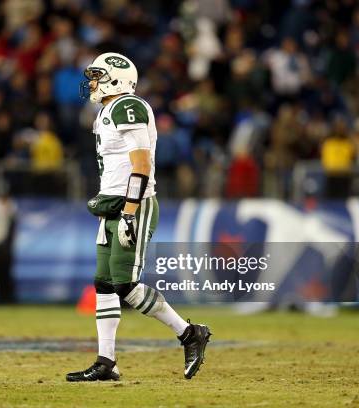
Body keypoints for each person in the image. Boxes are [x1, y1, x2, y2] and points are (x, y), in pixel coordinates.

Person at [66, 53, 211, 382]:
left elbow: (142, 165)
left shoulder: (128, 106)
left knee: (125, 285)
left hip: (135, 204)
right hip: (112, 205)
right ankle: (107, 362)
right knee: (103, 284)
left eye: (98, 75)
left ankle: (189, 333)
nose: (92, 81)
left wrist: (130, 212)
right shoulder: (105, 111)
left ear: (116, 78)